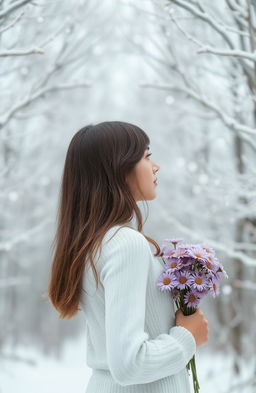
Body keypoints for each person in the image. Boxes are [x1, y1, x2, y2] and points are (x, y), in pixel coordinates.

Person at [47, 121, 208, 393]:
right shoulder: (125, 244)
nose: (156, 166)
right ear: (119, 169)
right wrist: (187, 337)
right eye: (146, 156)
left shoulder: (95, 243)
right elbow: (129, 364)